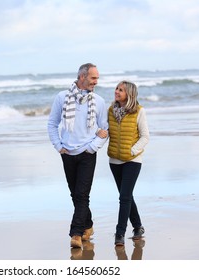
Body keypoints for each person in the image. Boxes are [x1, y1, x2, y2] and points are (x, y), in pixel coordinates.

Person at [47, 63, 108, 248]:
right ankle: (88, 225)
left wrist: (93, 147)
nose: (96, 81)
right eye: (93, 78)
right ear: (82, 77)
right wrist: (58, 146)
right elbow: (52, 123)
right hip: (67, 152)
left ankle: (76, 233)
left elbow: (105, 128)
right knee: (75, 194)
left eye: (97, 78)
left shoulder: (98, 101)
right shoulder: (62, 97)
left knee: (82, 194)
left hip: (87, 153)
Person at [99, 80, 149, 246]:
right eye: (116, 88)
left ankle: (119, 233)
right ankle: (138, 227)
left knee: (124, 197)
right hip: (114, 160)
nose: (117, 91)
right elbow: (105, 131)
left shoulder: (139, 112)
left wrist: (132, 151)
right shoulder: (111, 111)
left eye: (121, 90)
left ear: (129, 94)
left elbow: (145, 136)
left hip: (133, 161)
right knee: (126, 196)